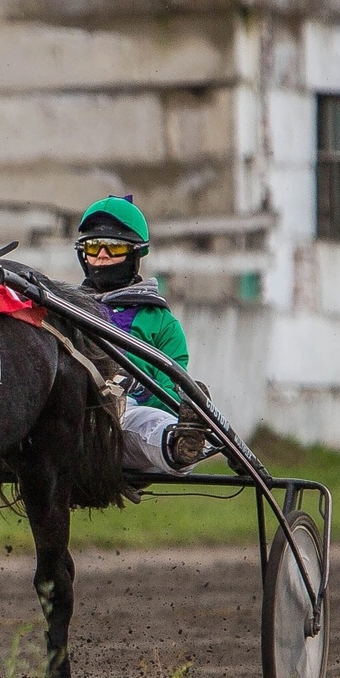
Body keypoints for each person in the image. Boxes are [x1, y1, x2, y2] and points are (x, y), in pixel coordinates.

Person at [75, 195, 207, 474]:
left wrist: (132, 389)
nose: (101, 256)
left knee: (145, 422)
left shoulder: (161, 323)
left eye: (113, 248)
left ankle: (178, 446)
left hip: (126, 420)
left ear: (136, 254)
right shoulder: (66, 308)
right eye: (93, 247)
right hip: (69, 415)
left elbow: (169, 391)